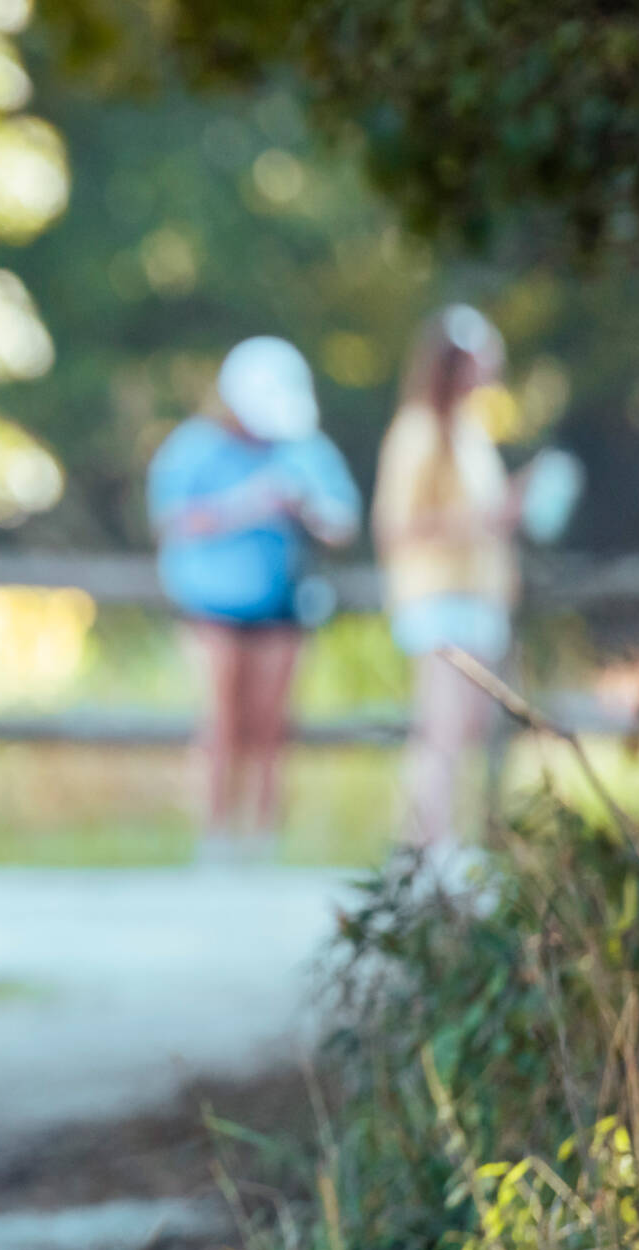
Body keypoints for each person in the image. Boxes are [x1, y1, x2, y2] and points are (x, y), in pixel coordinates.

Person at [148, 336, 360, 862]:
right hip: (211, 607)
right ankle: (215, 836)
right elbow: (173, 521)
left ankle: (262, 837)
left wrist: (303, 506)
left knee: (271, 724)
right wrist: (246, 505)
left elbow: (343, 523)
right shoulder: (193, 447)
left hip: (282, 604)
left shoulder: (303, 449)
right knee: (220, 721)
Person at [373, 304, 537, 855]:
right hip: (437, 600)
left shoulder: (472, 432)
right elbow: (395, 527)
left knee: (467, 730)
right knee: (440, 729)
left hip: (479, 600)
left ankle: (447, 843)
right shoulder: (418, 430)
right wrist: (485, 518)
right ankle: (421, 850)